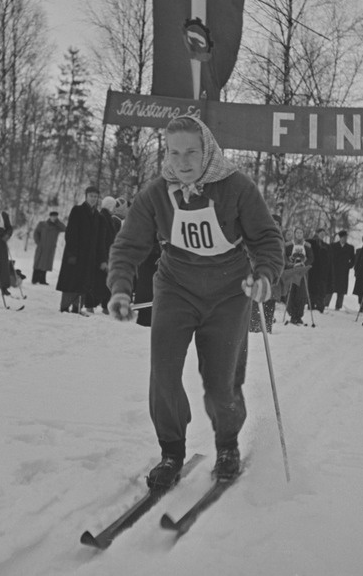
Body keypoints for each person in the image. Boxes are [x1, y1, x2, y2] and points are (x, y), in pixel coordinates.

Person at [107, 115, 284, 486]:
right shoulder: (157, 193)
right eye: (174, 153)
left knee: (221, 380)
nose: (182, 161)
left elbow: (266, 240)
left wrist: (265, 275)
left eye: (191, 152)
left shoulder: (237, 187)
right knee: (164, 373)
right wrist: (121, 287)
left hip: (228, 295)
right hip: (175, 290)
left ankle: (227, 445)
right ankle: (171, 452)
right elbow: (128, 244)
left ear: (208, 151)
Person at [57, 186, 107, 314]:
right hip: (75, 254)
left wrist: (101, 259)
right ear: (86, 196)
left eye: (95, 197)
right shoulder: (77, 210)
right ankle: (64, 307)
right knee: (71, 282)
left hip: (90, 256)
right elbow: (71, 233)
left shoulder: (98, 216)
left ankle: (77, 307)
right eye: (91, 196)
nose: (93, 199)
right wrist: (72, 253)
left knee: (84, 282)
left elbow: (100, 241)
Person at [249, 213, 283, 333]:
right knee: (257, 300)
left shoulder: (281, 241)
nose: (274, 225)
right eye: (272, 222)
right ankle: (254, 327)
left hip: (274, 276)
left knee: (270, 302)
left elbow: (282, 258)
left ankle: (267, 328)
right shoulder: (260, 236)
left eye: (277, 224)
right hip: (260, 273)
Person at [95, 196, 121, 313]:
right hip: (103, 255)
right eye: (114, 206)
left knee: (106, 281)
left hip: (107, 254)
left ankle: (105, 306)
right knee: (100, 281)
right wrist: (103, 259)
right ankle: (96, 305)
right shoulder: (103, 218)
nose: (115, 209)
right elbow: (102, 239)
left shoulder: (108, 218)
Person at [284, 226, 313, 325]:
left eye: (301, 233)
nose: (299, 235)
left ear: (303, 234)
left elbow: (311, 258)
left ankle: (299, 315)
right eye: (297, 233)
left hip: (303, 272)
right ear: (294, 234)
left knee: (302, 293)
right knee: (291, 292)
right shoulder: (288, 245)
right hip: (292, 271)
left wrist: (304, 263)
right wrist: (291, 262)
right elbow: (285, 257)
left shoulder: (307, 245)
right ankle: (292, 314)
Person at [32, 211, 66, 285]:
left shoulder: (57, 227)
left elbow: (64, 229)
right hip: (41, 247)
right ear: (50, 216)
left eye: (56, 217)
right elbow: (36, 233)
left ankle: (42, 280)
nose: (54, 218)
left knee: (45, 264)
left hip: (50, 248)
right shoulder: (42, 224)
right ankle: (34, 279)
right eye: (53, 216)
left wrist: (58, 222)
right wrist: (38, 242)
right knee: (38, 263)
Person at [307, 228, 333, 313]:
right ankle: (311, 305)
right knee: (312, 289)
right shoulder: (311, 242)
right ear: (317, 234)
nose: (322, 235)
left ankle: (320, 307)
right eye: (321, 233)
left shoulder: (327, 246)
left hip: (323, 272)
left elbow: (329, 260)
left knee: (321, 290)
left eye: (323, 234)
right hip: (313, 271)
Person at [330, 230, 355, 310]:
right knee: (331, 287)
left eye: (346, 237)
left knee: (341, 289)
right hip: (334, 270)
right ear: (340, 238)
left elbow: (353, 259)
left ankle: (338, 306)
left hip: (344, 271)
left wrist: (349, 266)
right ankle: (325, 305)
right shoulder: (333, 246)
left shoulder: (350, 247)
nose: (345, 239)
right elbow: (329, 257)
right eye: (343, 237)